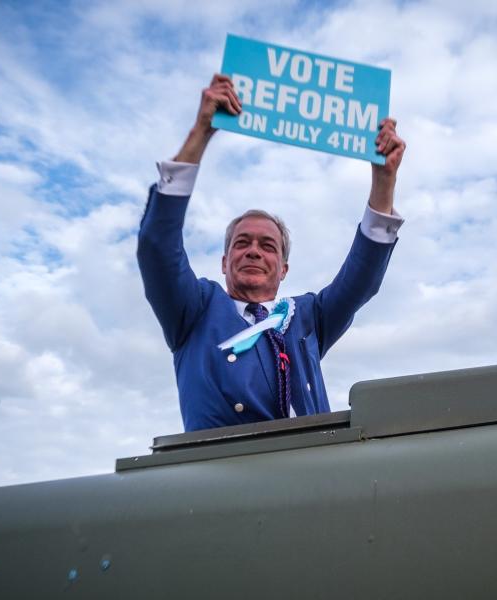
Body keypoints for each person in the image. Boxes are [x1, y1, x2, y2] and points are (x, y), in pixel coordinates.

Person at [138, 74, 406, 432]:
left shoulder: (308, 317)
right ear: (223, 262)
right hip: (221, 477)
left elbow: (361, 280)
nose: (253, 252)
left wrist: (384, 181)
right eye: (241, 243)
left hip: (310, 477)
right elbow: (157, 245)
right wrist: (200, 133)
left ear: (283, 269)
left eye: (268, 246)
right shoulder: (194, 310)